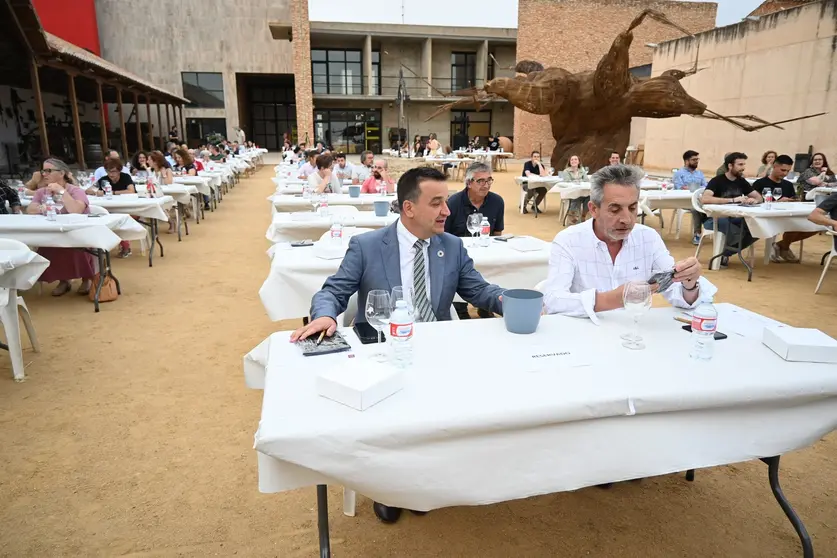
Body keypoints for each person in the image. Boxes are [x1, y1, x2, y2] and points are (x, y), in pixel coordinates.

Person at [291, 168, 504, 527]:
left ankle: (421, 483)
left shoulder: (451, 246)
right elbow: (332, 291)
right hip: (380, 351)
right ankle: (387, 489)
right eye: (436, 203)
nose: (447, 211)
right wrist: (326, 315)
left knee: (449, 413)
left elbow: (478, 291)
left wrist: (507, 300)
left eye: (445, 202)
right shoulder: (368, 246)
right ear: (408, 207)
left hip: (437, 350)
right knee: (389, 422)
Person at [542, 164, 716, 320]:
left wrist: (689, 283)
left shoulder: (648, 238)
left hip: (634, 335)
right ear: (594, 209)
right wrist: (613, 299)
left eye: (632, 208)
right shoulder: (569, 241)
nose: (627, 219)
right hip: (585, 336)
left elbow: (678, 294)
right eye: (615, 209)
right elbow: (553, 299)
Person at [444, 162, 504, 319]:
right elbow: (444, 236)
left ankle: (487, 305)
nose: (486, 185)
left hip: (486, 252)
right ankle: (460, 309)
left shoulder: (497, 202)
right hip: (458, 256)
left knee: (501, 266)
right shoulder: (453, 203)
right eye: (480, 181)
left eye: (489, 180)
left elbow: (497, 233)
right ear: (469, 183)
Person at [25, 158, 94, 296]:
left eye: (48, 171)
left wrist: (62, 192)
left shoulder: (76, 191)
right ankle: (63, 280)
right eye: (43, 171)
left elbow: (75, 210)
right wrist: (42, 207)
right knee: (49, 245)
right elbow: (30, 209)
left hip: (77, 232)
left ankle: (86, 279)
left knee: (76, 246)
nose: (44, 174)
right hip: (52, 231)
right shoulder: (42, 192)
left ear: (62, 173)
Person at [701, 152, 763, 267]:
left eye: (744, 164)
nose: (743, 168)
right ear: (730, 166)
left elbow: (758, 197)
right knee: (735, 229)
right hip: (714, 219)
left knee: (757, 228)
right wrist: (732, 200)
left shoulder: (741, 181)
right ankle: (722, 255)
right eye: (740, 165)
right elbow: (705, 199)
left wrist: (753, 200)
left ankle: (725, 254)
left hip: (736, 217)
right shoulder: (717, 180)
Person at [753, 154, 813, 262]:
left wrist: (795, 200)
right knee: (795, 224)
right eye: (783, 170)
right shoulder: (760, 183)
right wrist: (776, 202)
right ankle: (783, 248)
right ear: (774, 166)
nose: (785, 173)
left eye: (788, 171)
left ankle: (782, 246)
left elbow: (793, 200)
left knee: (813, 226)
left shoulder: (788, 185)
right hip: (768, 218)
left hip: (788, 216)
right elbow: (755, 203)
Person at [672, 150, 708, 245]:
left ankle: (710, 229)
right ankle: (697, 233)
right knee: (695, 209)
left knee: (708, 207)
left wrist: (690, 187)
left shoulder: (700, 173)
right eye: (694, 159)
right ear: (687, 161)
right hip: (685, 202)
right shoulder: (679, 174)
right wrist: (696, 188)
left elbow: (705, 187)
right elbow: (680, 188)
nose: (696, 161)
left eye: (697, 159)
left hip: (699, 200)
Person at [563, 155, 589, 224]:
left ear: (578, 161)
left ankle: (583, 215)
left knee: (590, 198)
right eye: (572, 160)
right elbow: (567, 182)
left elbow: (586, 180)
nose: (574, 161)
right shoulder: (566, 171)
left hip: (582, 193)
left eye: (575, 159)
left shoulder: (582, 170)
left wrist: (578, 181)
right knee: (576, 199)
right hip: (572, 193)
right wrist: (578, 181)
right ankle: (574, 219)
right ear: (570, 162)